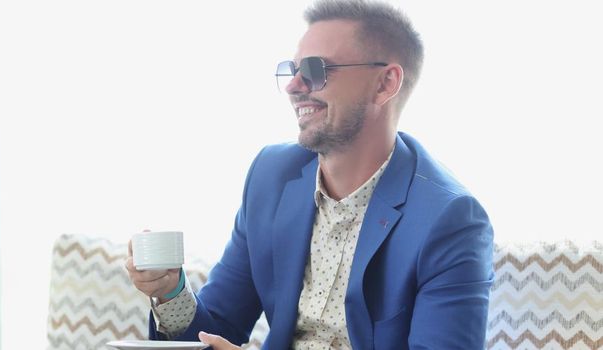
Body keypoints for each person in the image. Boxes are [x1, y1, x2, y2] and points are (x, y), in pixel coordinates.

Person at [125, 0, 494, 349]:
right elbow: (216, 329)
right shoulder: (270, 178)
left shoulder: (450, 220)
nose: (293, 85)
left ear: (385, 84)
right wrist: (171, 291)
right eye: (294, 69)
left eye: (316, 70)